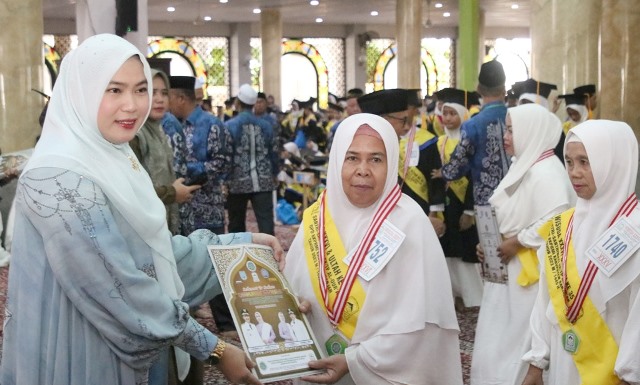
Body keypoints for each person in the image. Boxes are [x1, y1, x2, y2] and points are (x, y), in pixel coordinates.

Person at [0, 33, 286, 385]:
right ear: (81, 93)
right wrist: (215, 349)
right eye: (114, 90)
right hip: (83, 355)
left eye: (140, 90)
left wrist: (242, 245)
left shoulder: (114, 159)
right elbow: (116, 287)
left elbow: (157, 256)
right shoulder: (57, 179)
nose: (133, 105)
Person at [284, 113, 462, 384]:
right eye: (352, 157)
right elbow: (292, 290)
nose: (363, 169)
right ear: (336, 162)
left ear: (392, 164)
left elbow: (424, 327)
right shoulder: (316, 217)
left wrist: (356, 360)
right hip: (317, 363)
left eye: (376, 159)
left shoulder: (411, 224)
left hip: (385, 373)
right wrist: (295, 305)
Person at [521, 120, 640, 385]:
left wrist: (631, 375)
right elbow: (545, 300)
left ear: (615, 163)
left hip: (615, 370)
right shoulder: (562, 226)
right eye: (570, 161)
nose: (574, 172)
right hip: (565, 362)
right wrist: (536, 362)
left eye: (585, 162)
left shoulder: (635, 230)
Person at [471, 104, 576, 385]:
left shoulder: (547, 172)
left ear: (532, 130)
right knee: (498, 335)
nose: (506, 135)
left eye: (511, 129)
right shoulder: (524, 164)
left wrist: (516, 242)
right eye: (507, 128)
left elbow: (557, 220)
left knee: (516, 339)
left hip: (529, 276)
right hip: (508, 268)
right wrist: (490, 244)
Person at [357, 89, 446, 237]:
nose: (406, 127)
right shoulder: (366, 153)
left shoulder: (399, 144)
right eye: (402, 120)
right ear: (383, 119)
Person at [130, 69, 200, 235]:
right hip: (145, 228)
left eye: (164, 93)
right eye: (152, 92)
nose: (159, 99)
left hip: (165, 219)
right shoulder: (136, 135)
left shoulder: (158, 131)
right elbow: (133, 193)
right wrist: (172, 193)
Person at [434, 88, 483, 309]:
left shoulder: (469, 141)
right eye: (445, 113)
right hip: (446, 206)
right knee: (447, 252)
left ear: (463, 115)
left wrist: (470, 211)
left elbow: (475, 178)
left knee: (465, 253)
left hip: (465, 204)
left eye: (453, 113)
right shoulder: (439, 143)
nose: (448, 118)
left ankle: (472, 297)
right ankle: (452, 295)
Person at [168, 75, 232, 236]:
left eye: (168, 97)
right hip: (180, 210)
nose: (166, 102)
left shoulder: (212, 124)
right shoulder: (172, 125)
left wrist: (181, 172)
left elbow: (221, 163)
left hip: (206, 209)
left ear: (181, 98)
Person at [440, 60, 510, 206]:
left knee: (489, 230)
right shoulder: (518, 118)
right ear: (504, 89)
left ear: (478, 89)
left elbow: (457, 165)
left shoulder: (472, 124)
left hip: (487, 202)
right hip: (516, 199)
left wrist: (444, 172)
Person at [225, 84, 279, 236]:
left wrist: (225, 180)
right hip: (263, 182)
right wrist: (275, 173)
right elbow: (274, 152)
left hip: (237, 182)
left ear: (238, 102)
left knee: (236, 226)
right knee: (266, 224)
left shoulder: (230, 125)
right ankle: (270, 257)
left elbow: (227, 156)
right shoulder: (266, 126)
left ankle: (238, 258)